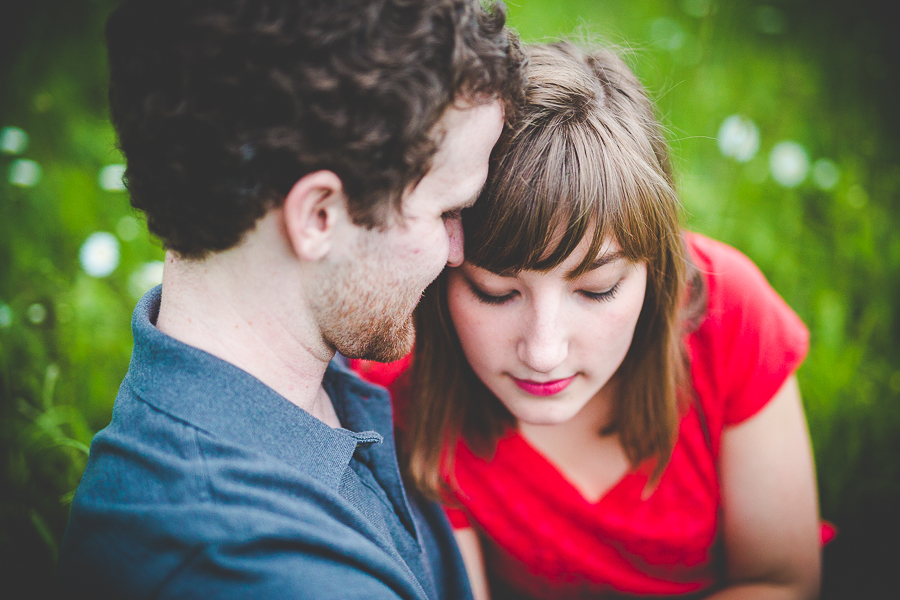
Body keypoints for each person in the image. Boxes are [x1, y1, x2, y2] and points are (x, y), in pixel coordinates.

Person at [57, 0, 523, 597]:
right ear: (319, 216)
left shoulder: (321, 369)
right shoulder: (262, 571)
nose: (458, 252)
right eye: (447, 211)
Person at [352, 41, 825, 599]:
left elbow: (781, 581)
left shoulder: (729, 313)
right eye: (495, 293)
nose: (543, 352)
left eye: (597, 290)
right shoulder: (400, 391)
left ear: (656, 269)